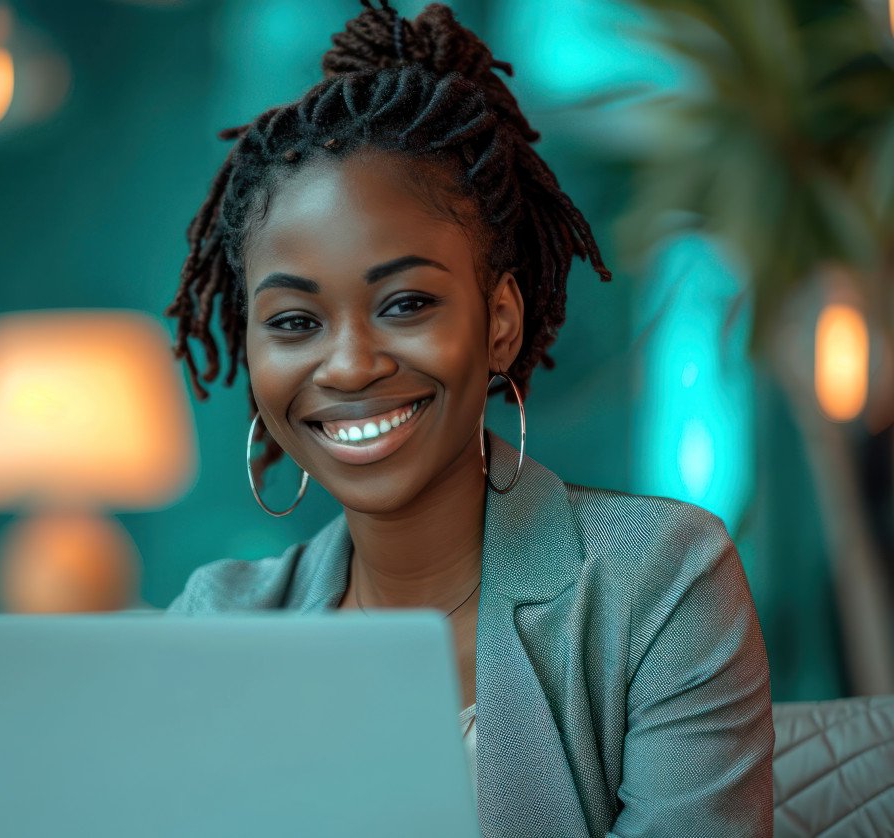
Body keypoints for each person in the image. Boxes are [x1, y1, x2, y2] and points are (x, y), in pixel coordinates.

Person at [163, 2, 774, 835]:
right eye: (295, 322)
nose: (347, 365)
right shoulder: (221, 624)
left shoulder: (659, 586)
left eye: (406, 303)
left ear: (500, 323)